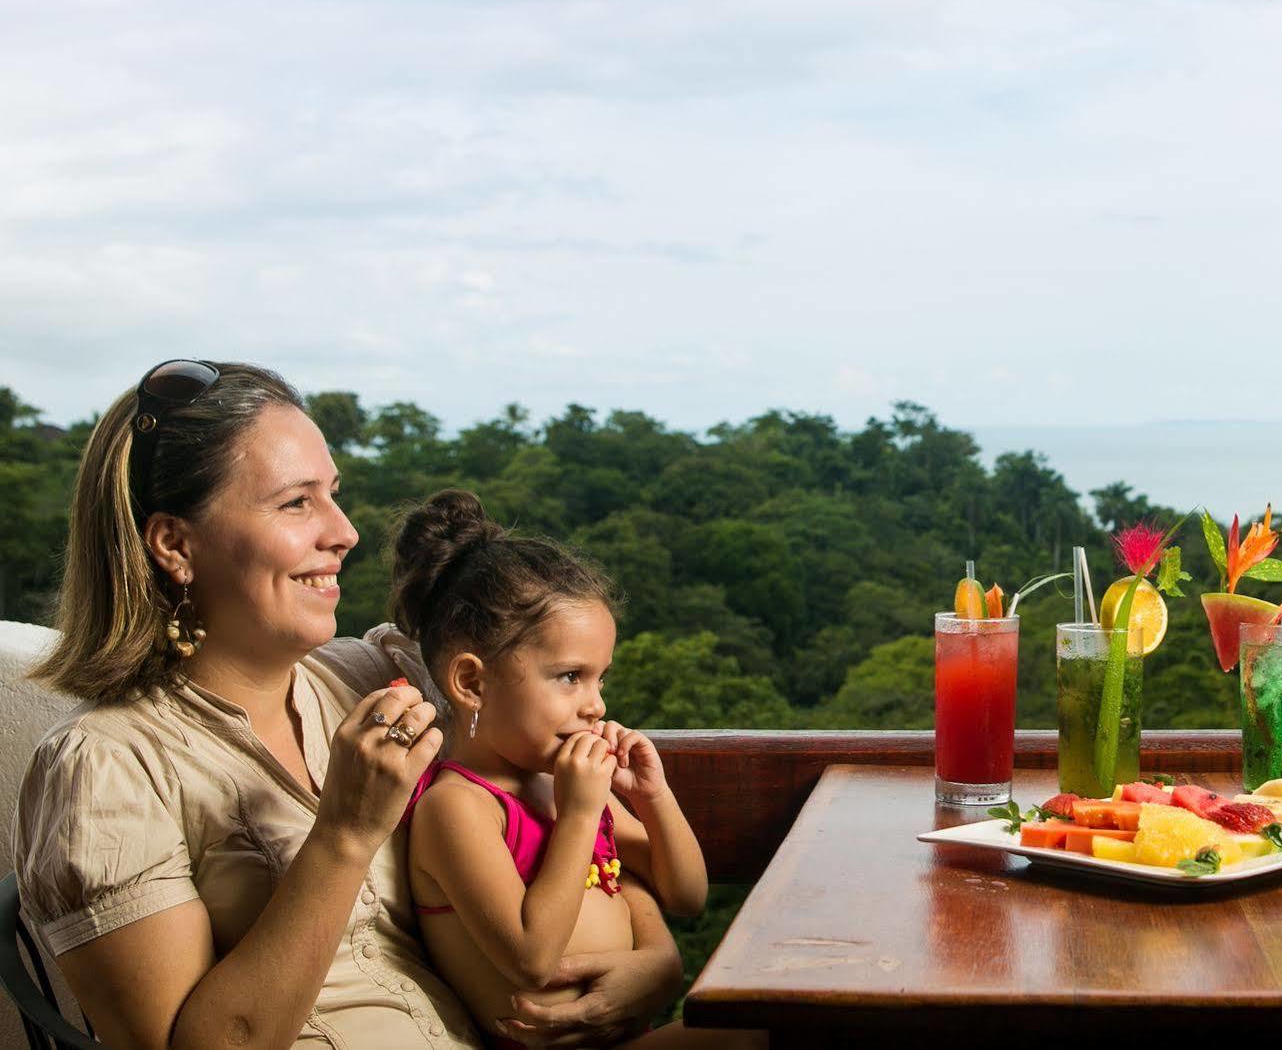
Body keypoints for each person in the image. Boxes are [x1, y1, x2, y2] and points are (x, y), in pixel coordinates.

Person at [15, 359, 680, 1048]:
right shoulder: (106, 771)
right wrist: (343, 834)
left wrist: (653, 965)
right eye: (296, 503)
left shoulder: (376, 677)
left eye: (333, 494)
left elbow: (572, 826)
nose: (345, 531)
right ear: (176, 544)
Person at [390, 490, 743, 1048]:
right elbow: (531, 960)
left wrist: (654, 798)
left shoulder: (570, 784)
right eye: (570, 677)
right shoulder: (457, 807)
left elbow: (686, 896)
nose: (596, 704)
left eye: (601, 678)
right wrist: (580, 815)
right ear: (472, 683)